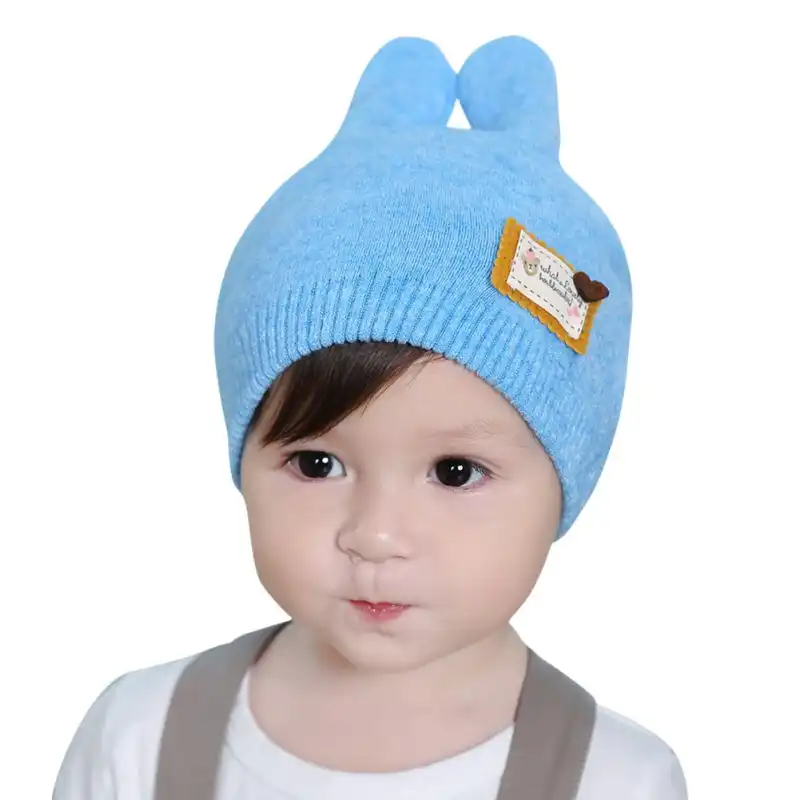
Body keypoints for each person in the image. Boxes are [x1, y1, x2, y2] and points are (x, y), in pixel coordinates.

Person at [53, 35, 688, 800]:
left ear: (568, 477)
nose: (376, 536)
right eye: (316, 463)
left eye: (456, 472)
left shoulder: (613, 780)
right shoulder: (138, 739)